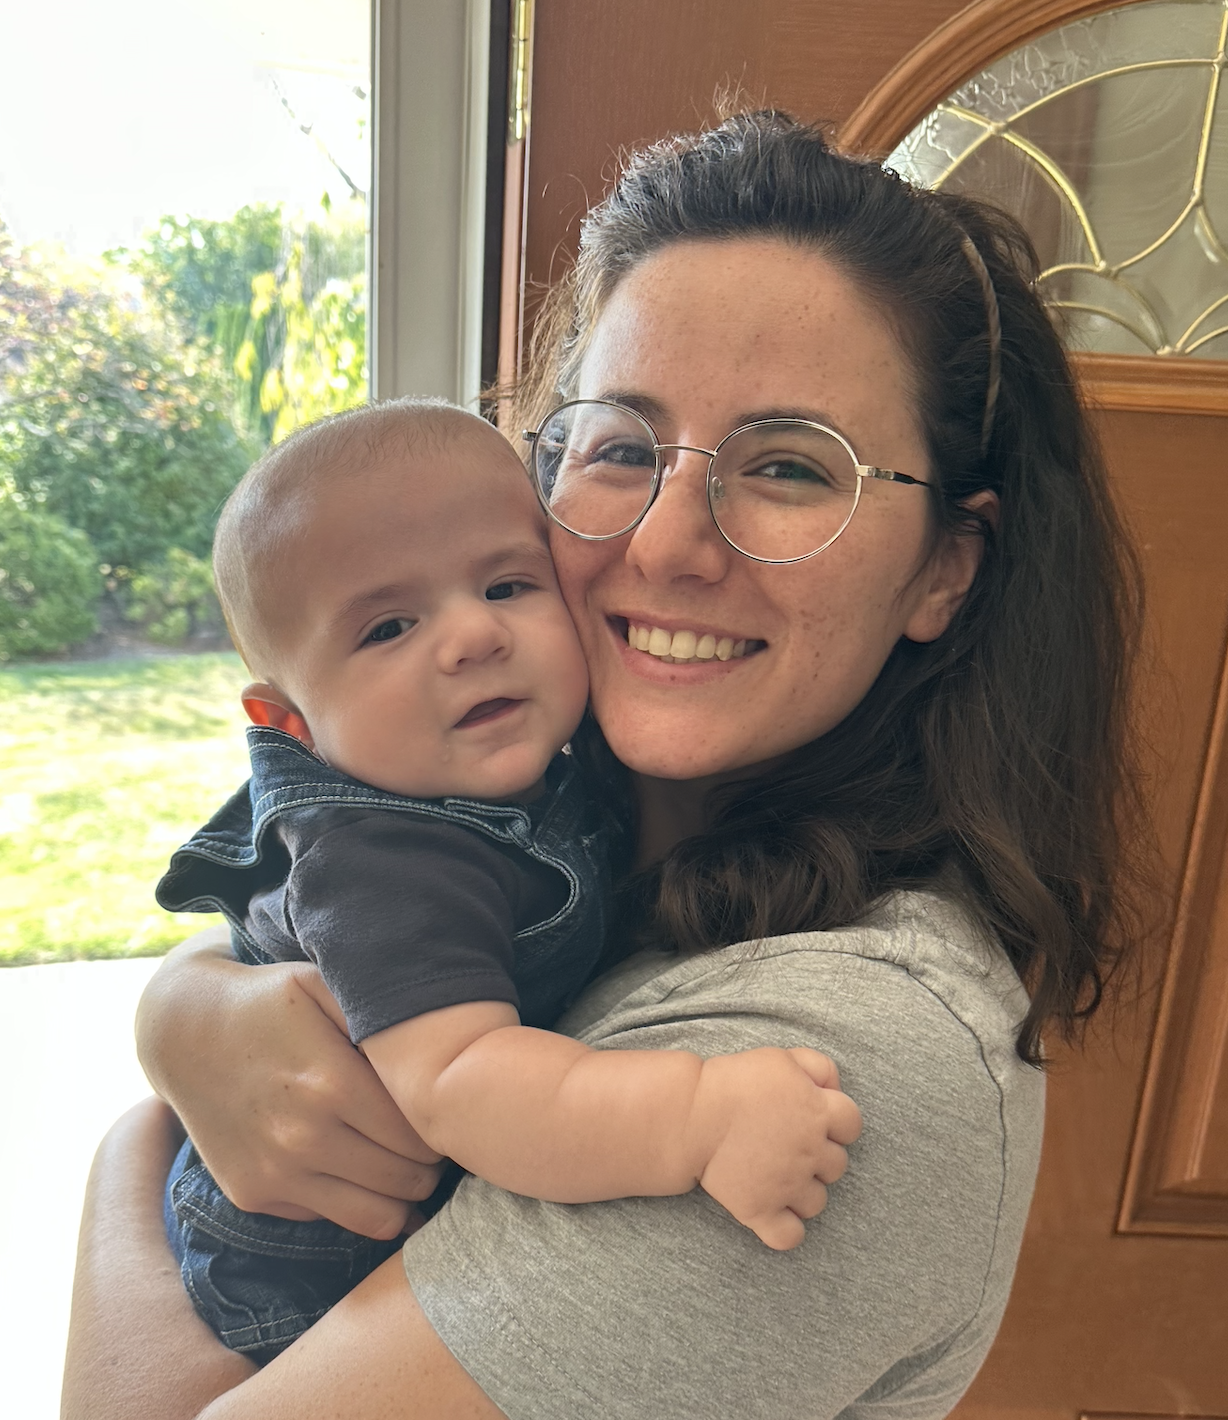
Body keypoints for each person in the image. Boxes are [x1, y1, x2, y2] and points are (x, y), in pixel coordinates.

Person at [62, 111, 1145, 1420]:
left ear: (944, 570)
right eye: (624, 445)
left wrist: (134, 1146)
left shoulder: (847, 1062)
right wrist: (185, 1013)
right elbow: (309, 877)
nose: (671, 541)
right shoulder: (516, 771)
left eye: (792, 467)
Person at [157, 397, 859, 1364]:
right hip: (301, 1282)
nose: (471, 639)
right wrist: (694, 1120)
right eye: (389, 627)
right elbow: (463, 1083)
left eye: (506, 586)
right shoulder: (383, 863)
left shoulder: (537, 774)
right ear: (291, 727)